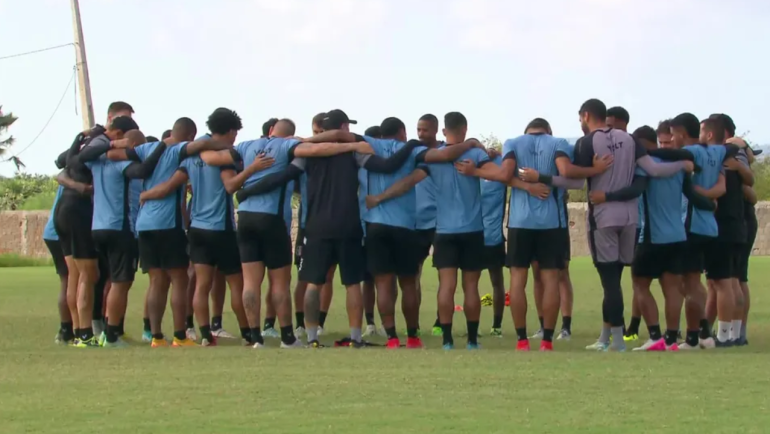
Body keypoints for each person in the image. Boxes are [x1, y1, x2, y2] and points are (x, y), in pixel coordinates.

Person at [557, 99, 692, 352]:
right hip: (630, 219)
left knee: (610, 282)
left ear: (586, 115)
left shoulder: (586, 142)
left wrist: (539, 179)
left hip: (603, 218)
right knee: (616, 279)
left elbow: (574, 181)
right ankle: (605, 336)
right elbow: (653, 169)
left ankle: (617, 340)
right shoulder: (631, 140)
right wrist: (682, 165)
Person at [107, 117, 230, 347]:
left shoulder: (146, 148)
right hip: (168, 223)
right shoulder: (180, 149)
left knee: (156, 281)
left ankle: (155, 336)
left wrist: (112, 144)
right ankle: (180, 336)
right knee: (179, 280)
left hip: (144, 224)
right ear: (190, 135)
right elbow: (202, 146)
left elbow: (115, 155)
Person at [140, 108, 256, 347]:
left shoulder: (190, 159)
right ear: (232, 131)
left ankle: (204, 335)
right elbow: (230, 186)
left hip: (197, 229)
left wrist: (145, 194)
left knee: (201, 284)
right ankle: (248, 333)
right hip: (221, 229)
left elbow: (169, 187)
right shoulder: (223, 156)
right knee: (236, 283)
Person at [199, 118, 304, 349]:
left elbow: (211, 157)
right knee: (279, 283)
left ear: (269, 131)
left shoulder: (245, 146)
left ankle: (256, 337)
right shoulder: (288, 146)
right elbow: (312, 149)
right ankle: (287, 337)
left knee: (250, 282)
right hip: (272, 219)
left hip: (245, 218)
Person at [74, 120, 165, 347]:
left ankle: (106, 331)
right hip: (119, 229)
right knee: (120, 283)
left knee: (109, 281)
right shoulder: (120, 165)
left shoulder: (96, 163)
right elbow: (143, 169)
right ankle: (112, 335)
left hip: (98, 228)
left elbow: (78, 157)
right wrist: (161, 147)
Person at [626, 125, 715, 352]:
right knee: (673, 289)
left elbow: (637, 189)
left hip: (652, 236)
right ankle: (672, 339)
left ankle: (655, 336)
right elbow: (691, 194)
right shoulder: (681, 168)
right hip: (677, 235)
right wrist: (709, 204)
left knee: (639, 284)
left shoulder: (645, 166)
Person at [355, 117, 427, 349]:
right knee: (409, 283)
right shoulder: (413, 149)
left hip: (375, 225)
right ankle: (413, 336)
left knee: (383, 284)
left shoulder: (366, 146)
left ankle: (392, 337)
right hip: (405, 225)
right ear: (402, 132)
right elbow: (410, 181)